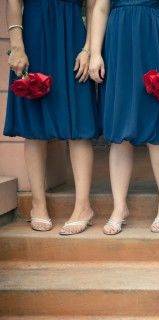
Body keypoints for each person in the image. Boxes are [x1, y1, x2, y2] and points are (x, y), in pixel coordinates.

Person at [89, 0, 159, 235]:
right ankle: (118, 207)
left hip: (158, 44)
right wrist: (95, 52)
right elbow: (101, 8)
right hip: (119, 50)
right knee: (120, 131)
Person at [4, 0, 99, 235]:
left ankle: (83, 206)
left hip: (73, 37)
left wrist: (88, 49)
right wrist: (17, 46)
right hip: (34, 37)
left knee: (79, 122)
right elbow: (13, 2)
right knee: (35, 124)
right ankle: (38, 203)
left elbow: (94, 6)